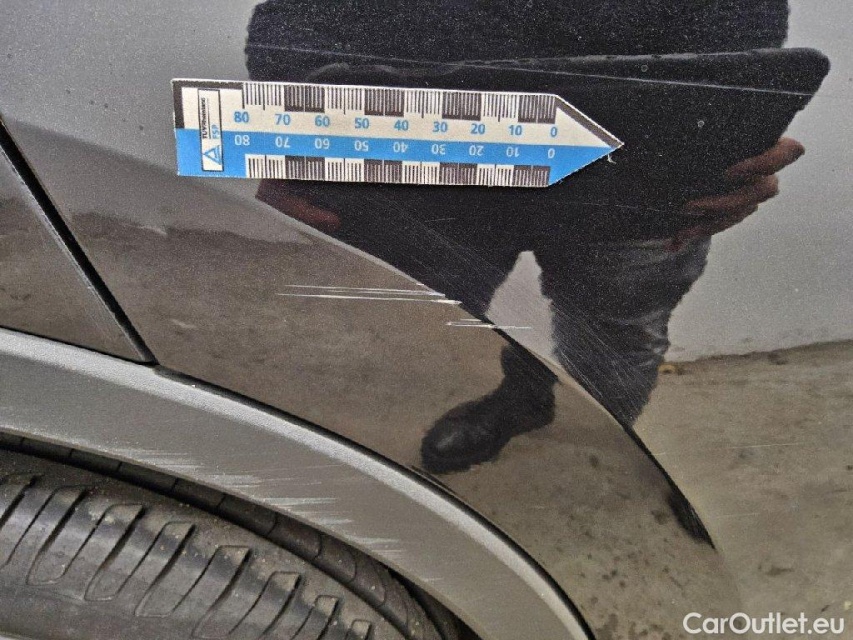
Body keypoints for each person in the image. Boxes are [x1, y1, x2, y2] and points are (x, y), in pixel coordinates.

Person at [246, 0, 805, 473]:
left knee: (617, 340)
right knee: (425, 330)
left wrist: (728, 141)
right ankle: (528, 409)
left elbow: (740, 48)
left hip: (634, 183)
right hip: (428, 178)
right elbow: (294, 24)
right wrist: (284, 126)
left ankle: (567, 422)